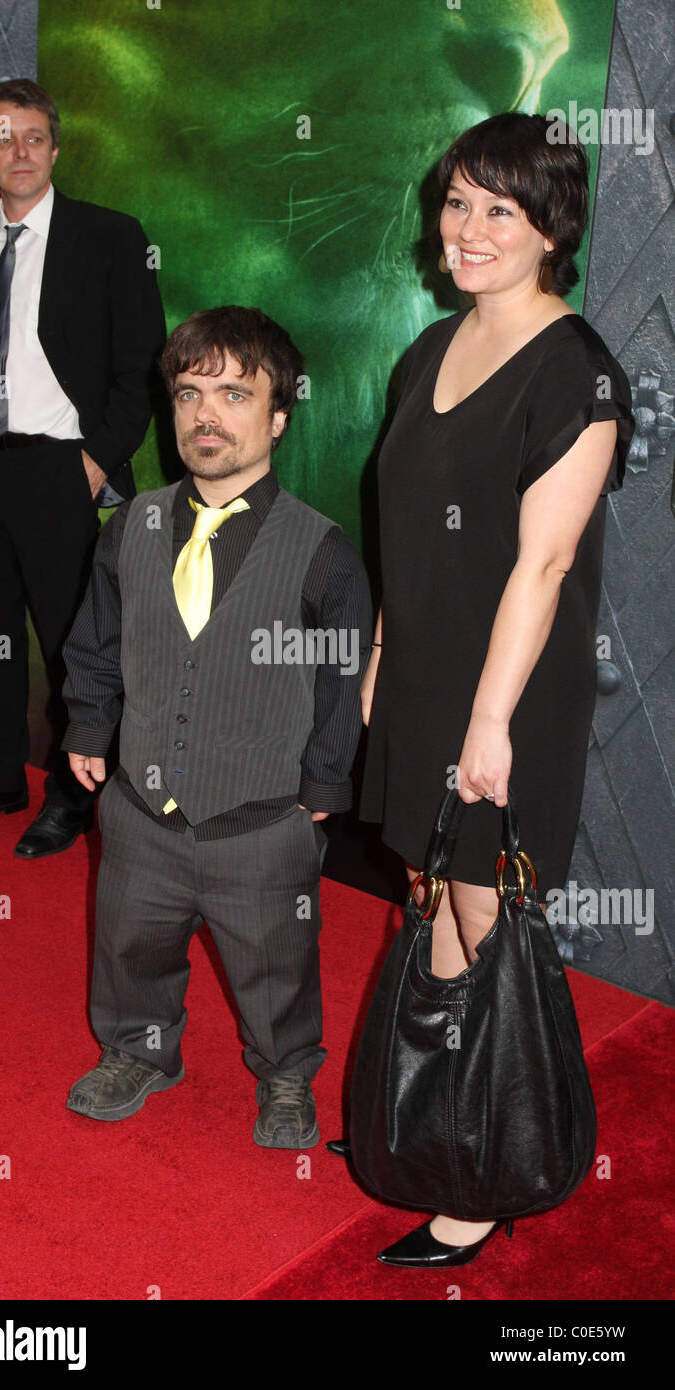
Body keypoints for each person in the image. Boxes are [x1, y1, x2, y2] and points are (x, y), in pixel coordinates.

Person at [351, 112, 634, 1265]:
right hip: (422, 672)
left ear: (548, 228)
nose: (461, 231)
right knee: (431, 889)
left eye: (494, 212)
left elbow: (544, 561)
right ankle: (440, 1116)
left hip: (506, 693)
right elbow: (404, 530)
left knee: (483, 906)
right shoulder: (427, 349)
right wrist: (378, 651)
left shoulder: (578, 370)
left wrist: (485, 719)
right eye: (455, 203)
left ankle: (494, 1166)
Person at [62, 306, 372, 1148]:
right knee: (130, 948)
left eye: (235, 394)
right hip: (139, 808)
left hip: (263, 820)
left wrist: (322, 789)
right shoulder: (132, 526)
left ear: (277, 416)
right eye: (191, 393)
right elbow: (94, 641)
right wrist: (88, 728)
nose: (207, 414)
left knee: (277, 964)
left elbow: (345, 683)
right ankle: (140, 1052)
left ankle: (283, 1075)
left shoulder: (323, 551)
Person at [0, 79, 165, 856]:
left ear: (56, 147)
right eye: (2, 138)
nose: (19, 151)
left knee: (76, 645)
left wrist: (97, 462)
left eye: (33, 137)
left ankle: (71, 799)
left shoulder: (111, 237)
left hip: (62, 472)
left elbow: (143, 369)